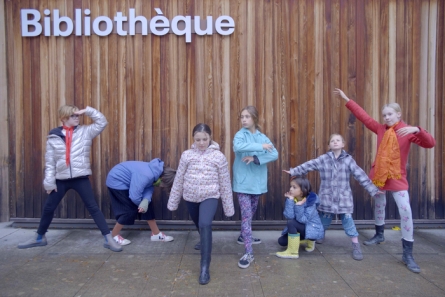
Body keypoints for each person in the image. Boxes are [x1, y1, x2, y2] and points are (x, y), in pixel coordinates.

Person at [333, 88, 436, 273]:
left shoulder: (407, 131)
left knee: (405, 211)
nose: (386, 117)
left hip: (397, 177)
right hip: (379, 176)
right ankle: (379, 235)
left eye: (390, 114)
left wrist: (418, 130)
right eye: (384, 115)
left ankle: (407, 254)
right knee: (379, 204)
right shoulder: (381, 129)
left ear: (398, 114)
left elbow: (430, 143)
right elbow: (364, 117)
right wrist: (347, 99)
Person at [18, 105, 122, 252]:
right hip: (61, 179)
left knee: (93, 207)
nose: (77, 118)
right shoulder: (53, 136)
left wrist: (87, 111)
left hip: (80, 178)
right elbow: (50, 162)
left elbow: (102, 122)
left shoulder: (85, 132)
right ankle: (39, 237)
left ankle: (108, 238)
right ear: (64, 118)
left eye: (78, 115)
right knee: (49, 207)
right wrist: (49, 183)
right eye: (73, 116)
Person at [284, 134, 381, 261]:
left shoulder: (348, 160)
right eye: (332, 141)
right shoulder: (323, 159)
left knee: (348, 222)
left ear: (343, 144)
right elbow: (309, 165)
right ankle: (317, 237)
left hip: (343, 199)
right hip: (327, 198)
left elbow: (360, 174)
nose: (335, 142)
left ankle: (356, 245)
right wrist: (294, 171)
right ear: (329, 145)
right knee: (323, 221)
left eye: (338, 140)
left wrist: (373, 189)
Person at [167, 123, 234, 285]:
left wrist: (228, 207)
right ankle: (205, 241)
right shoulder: (187, 155)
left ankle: (204, 267)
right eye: (198, 140)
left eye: (205, 139)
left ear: (210, 138)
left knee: (205, 224)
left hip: (209, 196)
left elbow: (225, 182)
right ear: (193, 139)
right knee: (199, 224)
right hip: (190, 197)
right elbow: (179, 179)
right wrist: (173, 201)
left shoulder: (218, 157)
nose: (202, 142)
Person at [232, 106, 279, 269]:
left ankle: (242, 236)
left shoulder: (262, 136)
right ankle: (248, 252)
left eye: (247, 116)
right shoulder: (240, 135)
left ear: (255, 119)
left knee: (250, 214)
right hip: (243, 183)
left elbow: (274, 154)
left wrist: (255, 158)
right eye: (242, 116)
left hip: (257, 184)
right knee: (246, 216)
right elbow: (238, 148)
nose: (244, 119)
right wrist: (260, 148)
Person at [105, 159, 176, 246]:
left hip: (129, 183)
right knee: (129, 210)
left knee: (148, 204)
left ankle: (156, 234)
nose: (162, 187)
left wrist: (145, 201)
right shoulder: (146, 175)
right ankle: (113, 236)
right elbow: (134, 195)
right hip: (117, 181)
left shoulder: (155, 172)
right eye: (164, 185)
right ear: (163, 178)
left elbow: (149, 187)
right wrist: (140, 205)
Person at [276, 176, 324, 259]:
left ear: (302, 191)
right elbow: (289, 216)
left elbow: (303, 220)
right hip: (304, 228)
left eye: (294, 187)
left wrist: (299, 206)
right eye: (291, 186)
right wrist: (290, 200)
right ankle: (308, 240)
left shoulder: (310, 202)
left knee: (291, 223)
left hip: (313, 230)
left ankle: (293, 252)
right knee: (282, 241)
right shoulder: (293, 199)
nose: (291, 189)